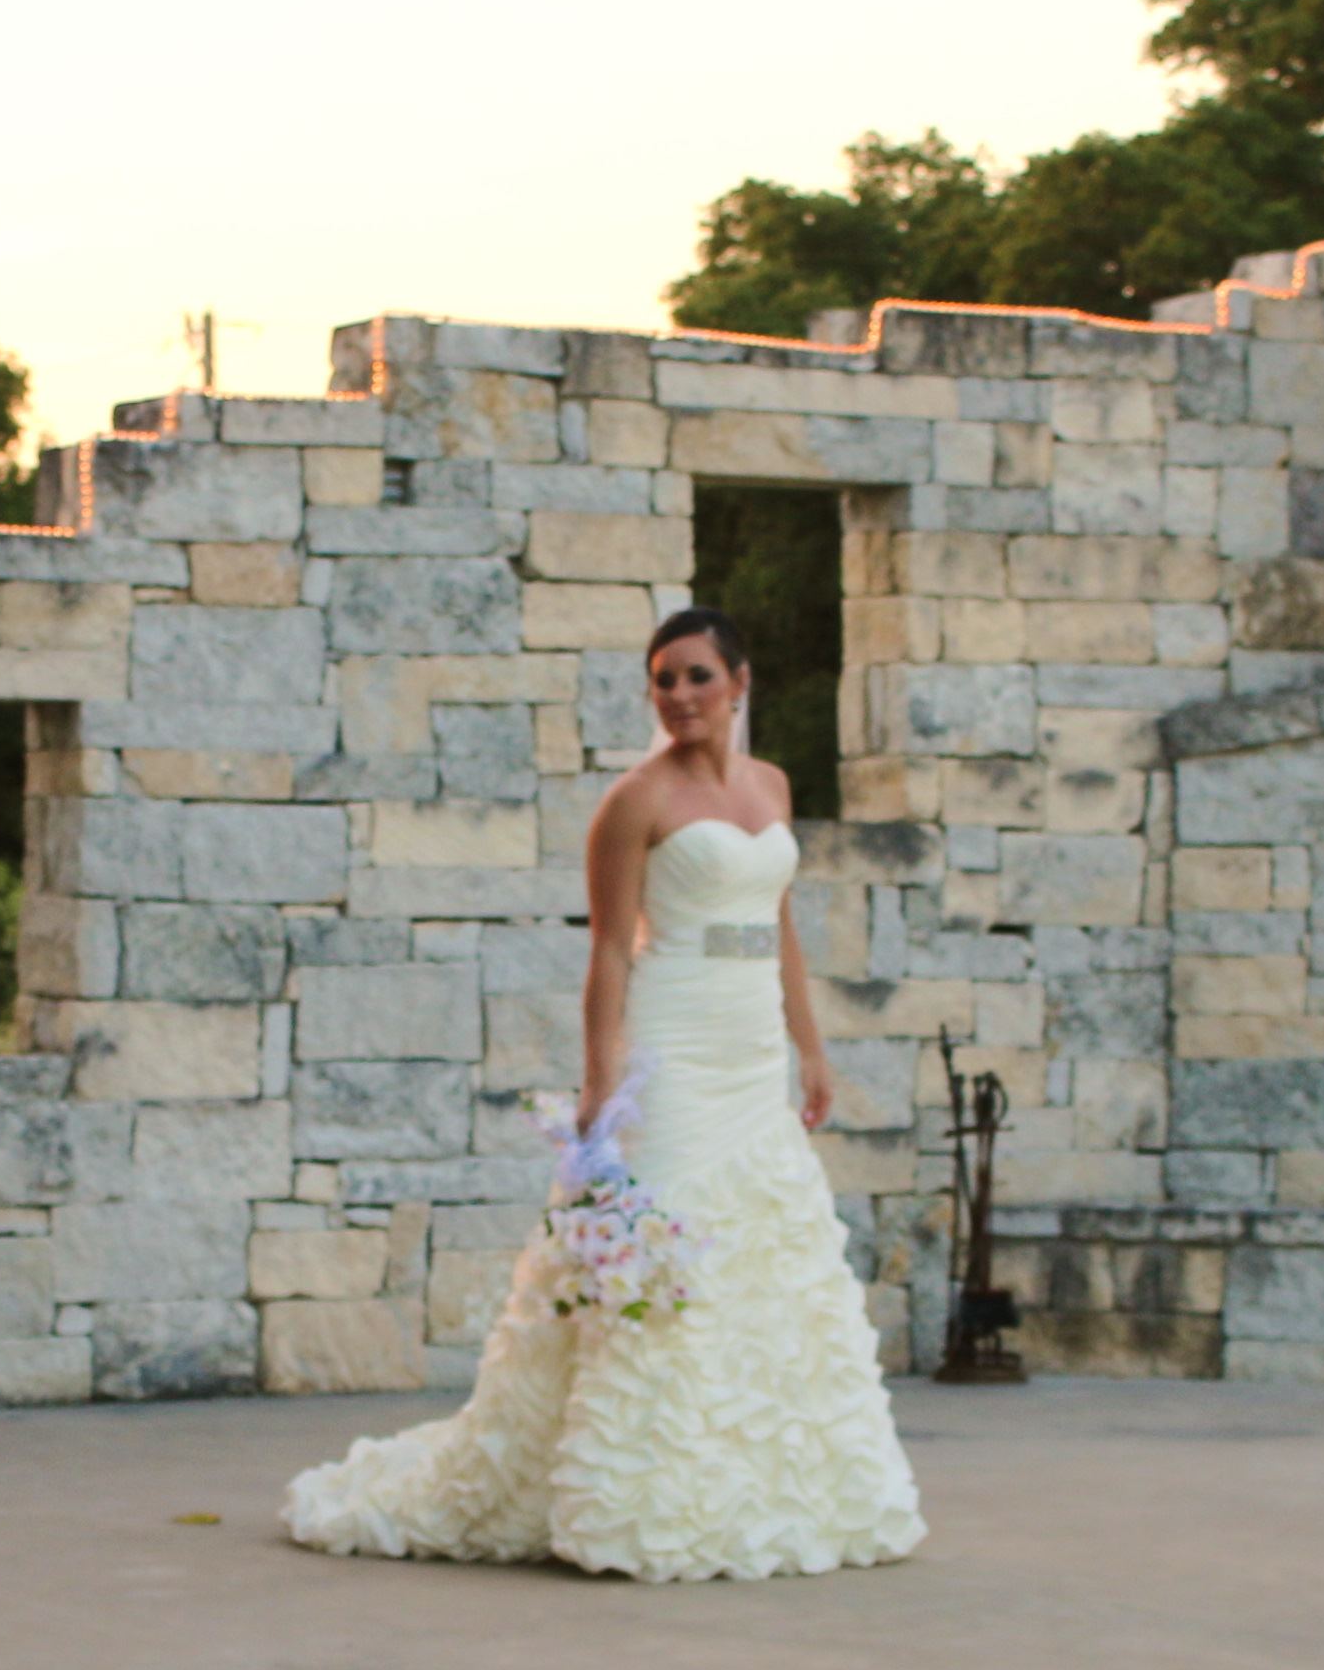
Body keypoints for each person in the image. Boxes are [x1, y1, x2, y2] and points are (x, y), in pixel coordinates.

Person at [285, 606, 929, 1580]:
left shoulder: (771, 784)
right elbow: (609, 954)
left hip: (753, 1051)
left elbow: (778, 927)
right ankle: (640, 1493)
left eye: (697, 676)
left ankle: (756, 1489)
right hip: (674, 1050)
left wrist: (812, 1048)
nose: (679, 695)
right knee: (659, 1258)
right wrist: (601, 1078)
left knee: (766, 1254)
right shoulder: (636, 800)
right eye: (663, 679)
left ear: (739, 682)